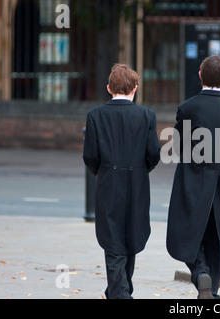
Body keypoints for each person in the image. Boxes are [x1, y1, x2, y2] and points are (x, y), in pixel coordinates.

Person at [166, 55, 220, 299]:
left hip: (194, 181)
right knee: (218, 237)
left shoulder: (188, 108)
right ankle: (211, 289)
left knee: (185, 232)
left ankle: (201, 274)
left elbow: (179, 146)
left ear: (200, 75)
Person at [83, 64, 161, 299]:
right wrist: (140, 170)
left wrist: (103, 171)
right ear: (135, 88)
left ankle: (119, 292)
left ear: (109, 88)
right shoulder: (146, 115)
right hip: (137, 182)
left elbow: (90, 156)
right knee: (131, 236)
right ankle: (121, 291)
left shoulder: (95, 116)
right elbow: (154, 153)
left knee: (113, 239)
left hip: (109, 182)